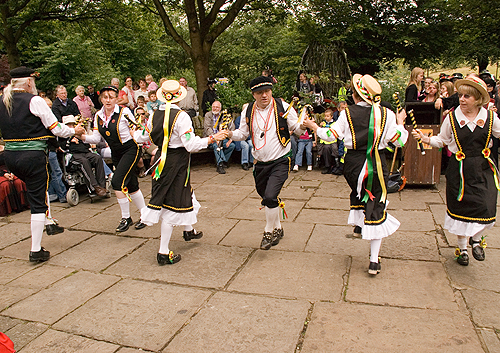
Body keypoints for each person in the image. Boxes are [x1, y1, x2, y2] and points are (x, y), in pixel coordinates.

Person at [304, 74, 408, 275]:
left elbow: (329, 135)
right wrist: (401, 122)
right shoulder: (387, 114)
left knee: (361, 192)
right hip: (376, 164)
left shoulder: (346, 114)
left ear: (355, 94)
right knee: (377, 205)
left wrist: (314, 127)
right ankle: (374, 261)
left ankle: (360, 226)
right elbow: (399, 141)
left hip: (352, 166)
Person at [134, 80, 226, 265]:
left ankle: (188, 229)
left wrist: (135, 130)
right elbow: (190, 145)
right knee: (171, 204)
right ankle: (163, 251)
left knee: (187, 192)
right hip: (176, 162)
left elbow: (142, 136)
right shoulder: (182, 116)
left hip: (161, 160)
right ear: (179, 96)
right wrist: (211, 138)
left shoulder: (153, 115)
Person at [0, 66, 85, 262]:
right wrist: (75, 131)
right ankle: (36, 250)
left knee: (39, 188)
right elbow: (56, 129)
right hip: (31, 156)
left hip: (11, 157)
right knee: (37, 201)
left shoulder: (3, 100)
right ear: (29, 82)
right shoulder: (34, 100)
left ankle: (49, 221)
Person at [413, 77, 499, 266]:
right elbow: (442, 140)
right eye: (460, 95)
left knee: (486, 206)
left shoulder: (491, 118)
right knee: (461, 209)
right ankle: (463, 248)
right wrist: (425, 139)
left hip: (483, 169)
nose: (461, 99)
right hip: (459, 171)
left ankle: (476, 239)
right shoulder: (452, 118)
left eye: (466, 96)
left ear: (477, 99)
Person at [225, 76, 305, 250]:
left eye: (267, 91)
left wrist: (303, 125)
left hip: (281, 159)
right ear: (253, 94)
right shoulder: (248, 110)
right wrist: (230, 134)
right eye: (259, 92)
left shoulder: (284, 107)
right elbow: (242, 134)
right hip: (260, 163)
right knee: (267, 197)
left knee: (269, 196)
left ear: (271, 91)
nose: (264, 95)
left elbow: (297, 129)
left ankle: (268, 232)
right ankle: (278, 228)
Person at [81, 86, 147, 232]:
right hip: (116, 152)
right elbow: (96, 138)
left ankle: (126, 217)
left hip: (131, 149)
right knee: (131, 184)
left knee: (117, 182)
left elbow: (137, 129)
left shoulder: (124, 112)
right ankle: (145, 215)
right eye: (105, 97)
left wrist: (138, 133)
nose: (108, 100)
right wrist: (81, 136)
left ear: (117, 99)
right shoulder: (98, 115)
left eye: (111, 97)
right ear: (101, 99)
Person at [62, 115, 107, 197]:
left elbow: (87, 145)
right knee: (84, 162)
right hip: (73, 154)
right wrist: (69, 141)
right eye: (69, 124)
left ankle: (102, 186)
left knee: (97, 158)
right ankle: (94, 187)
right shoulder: (63, 135)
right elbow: (61, 147)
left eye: (72, 124)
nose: (71, 126)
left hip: (85, 152)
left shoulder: (79, 132)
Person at [50, 85, 80, 203]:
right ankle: (62, 196)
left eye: (65, 92)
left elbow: (77, 114)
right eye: (62, 93)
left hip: (71, 128)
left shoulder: (71, 103)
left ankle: (55, 194)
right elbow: (56, 124)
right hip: (60, 136)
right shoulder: (55, 106)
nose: (64, 94)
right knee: (56, 171)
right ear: (57, 95)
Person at [203, 100, 235, 174]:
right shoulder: (208, 115)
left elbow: (232, 127)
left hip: (222, 139)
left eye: (217, 107)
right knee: (216, 145)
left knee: (232, 146)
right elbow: (207, 128)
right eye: (213, 107)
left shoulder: (224, 115)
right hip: (210, 139)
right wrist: (215, 138)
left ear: (220, 108)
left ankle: (224, 161)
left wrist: (230, 139)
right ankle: (220, 165)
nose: (215, 108)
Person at [0, 146, 29, 216]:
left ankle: (24, 205)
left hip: (12, 169)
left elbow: (14, 161)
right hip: (1, 173)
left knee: (19, 182)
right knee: (5, 185)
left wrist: (12, 172)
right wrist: (4, 174)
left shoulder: (7, 148)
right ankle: (9, 208)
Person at [316, 108, 340, 174]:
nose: (326, 117)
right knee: (325, 148)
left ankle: (336, 161)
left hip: (332, 140)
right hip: (325, 141)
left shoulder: (335, 123)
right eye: (325, 116)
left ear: (332, 116)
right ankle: (326, 166)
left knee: (334, 148)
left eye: (328, 116)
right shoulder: (323, 123)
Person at [235, 103, 254, 170]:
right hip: (240, 139)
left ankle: (251, 162)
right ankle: (244, 163)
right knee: (245, 146)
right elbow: (240, 132)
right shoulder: (238, 119)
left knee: (252, 144)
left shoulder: (251, 118)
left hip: (248, 138)